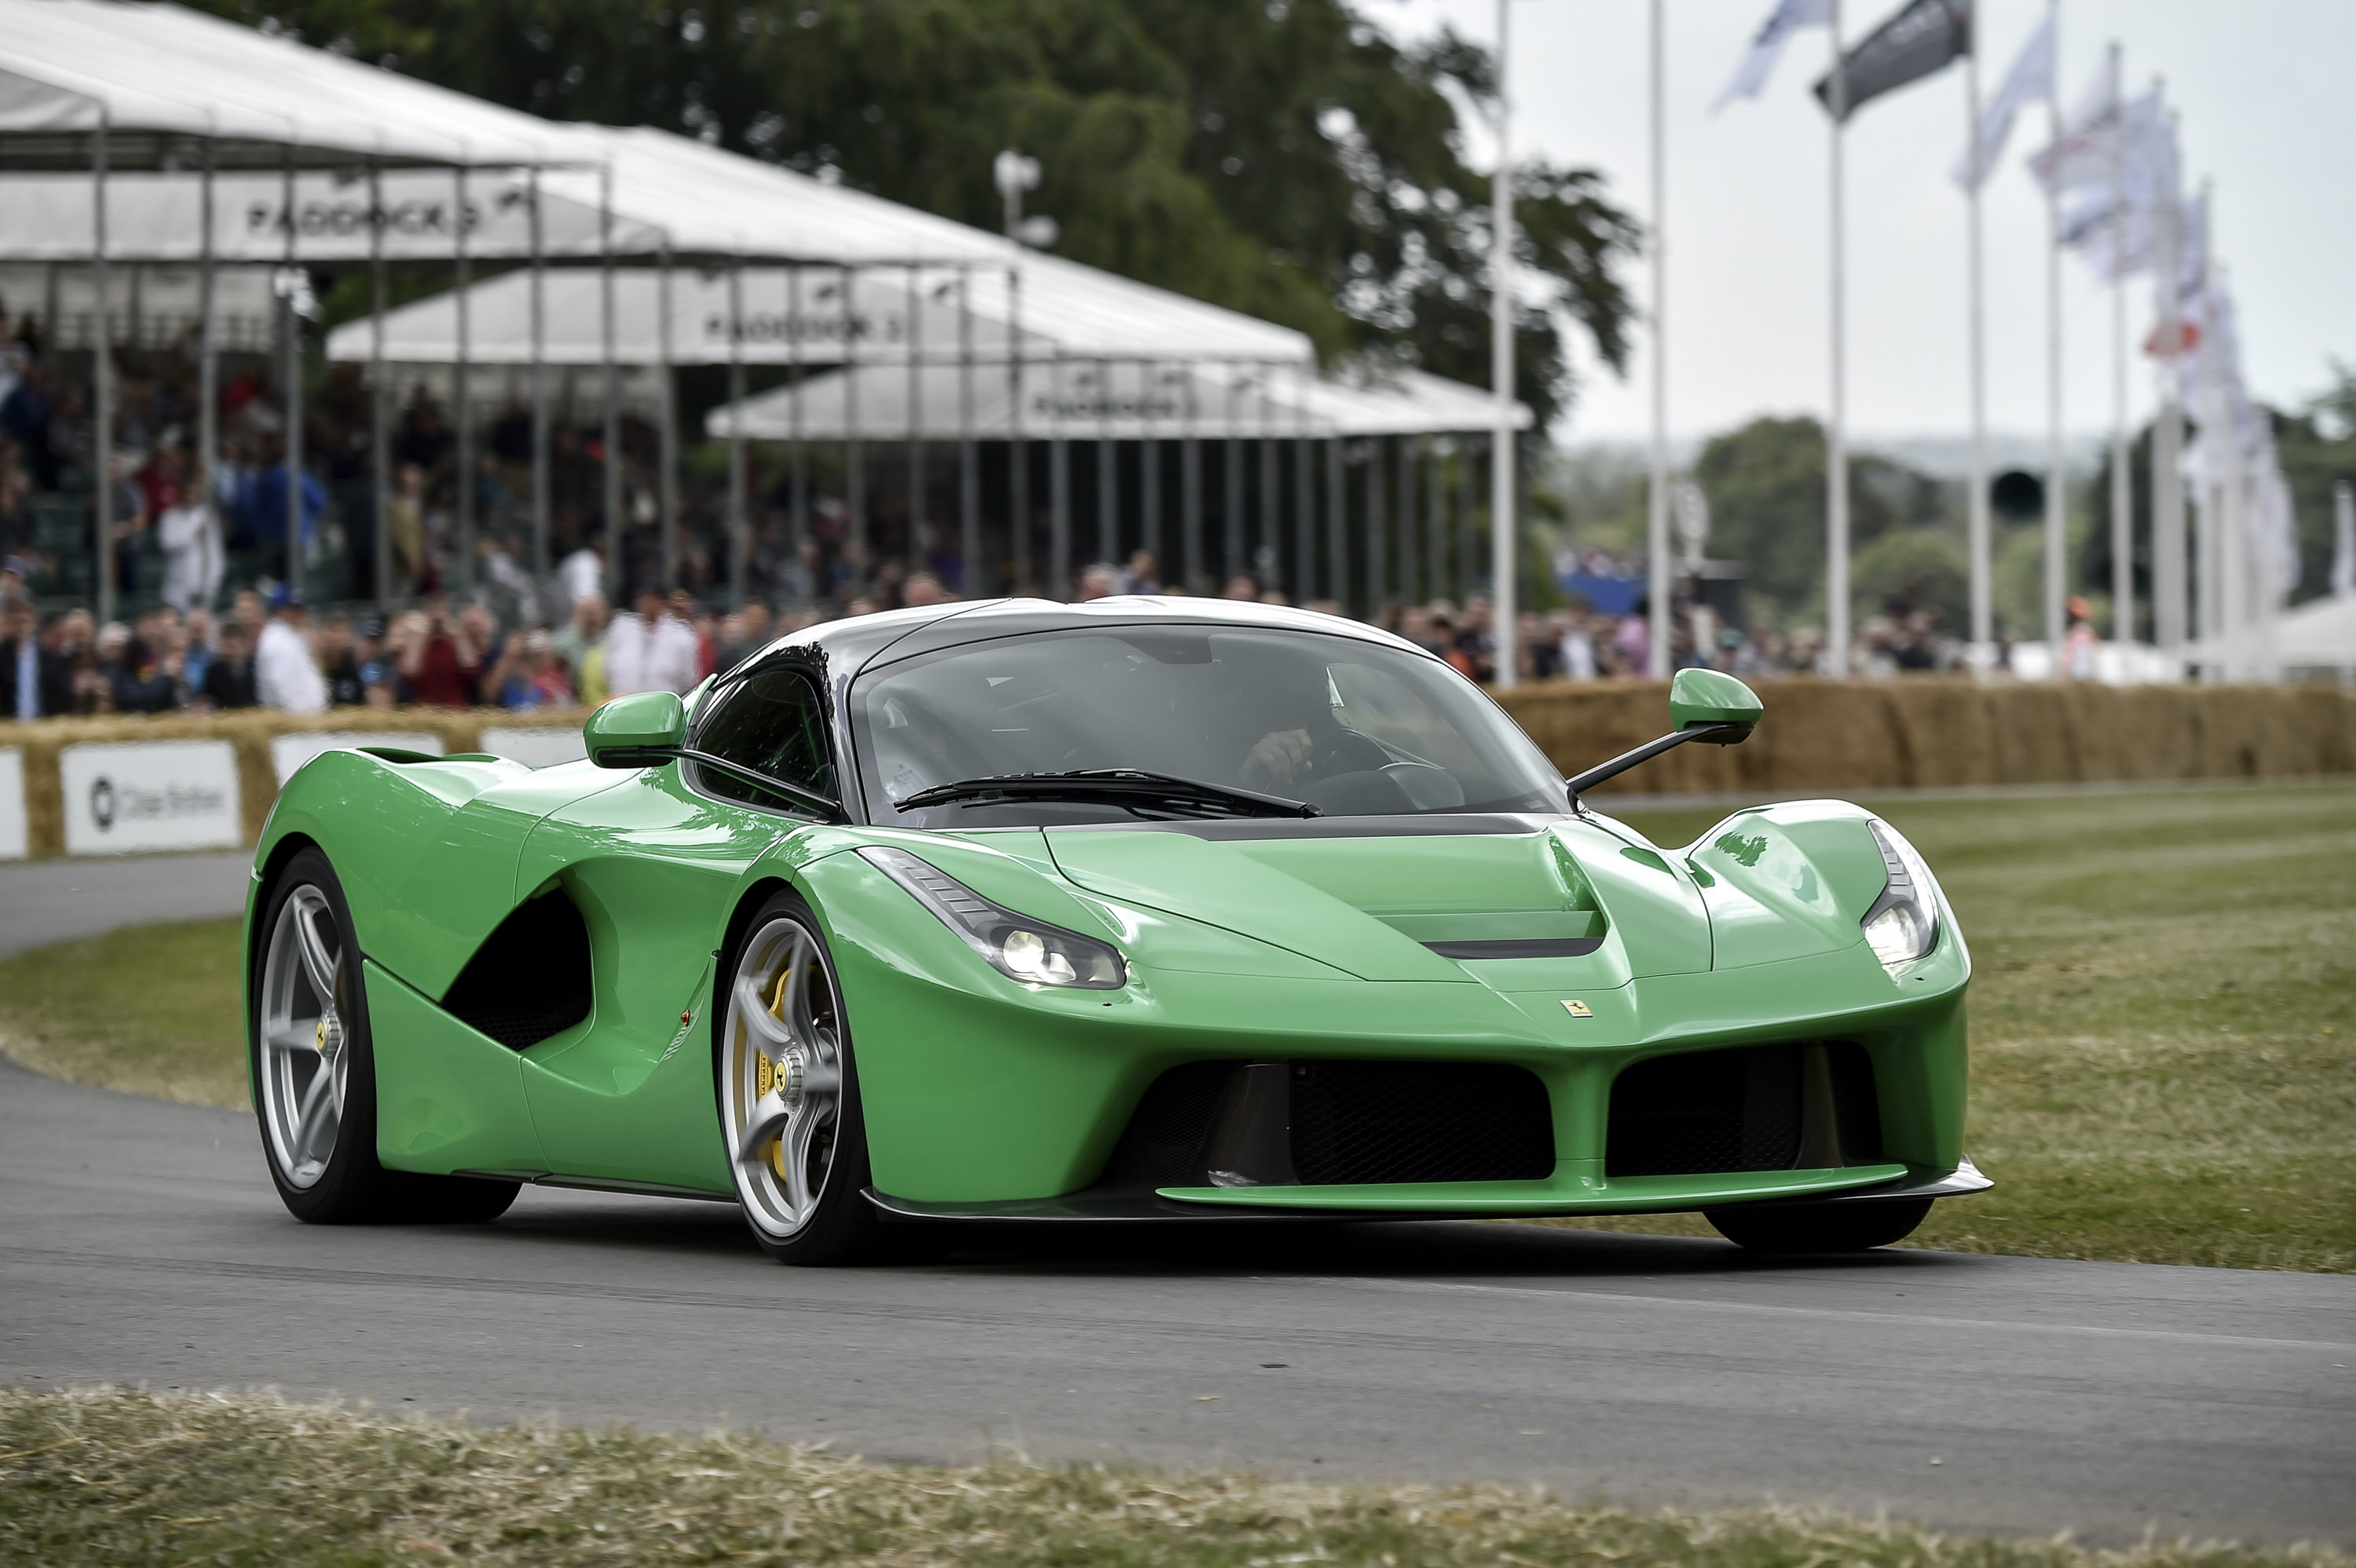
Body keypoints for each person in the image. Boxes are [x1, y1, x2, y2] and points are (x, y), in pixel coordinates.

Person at [155, 459, 223, 615]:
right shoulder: (169, 517)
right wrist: (192, 534)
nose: (190, 496)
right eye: (187, 492)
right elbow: (167, 544)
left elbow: (216, 555)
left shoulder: (206, 517)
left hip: (202, 591)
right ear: (180, 493)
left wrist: (212, 585)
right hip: (175, 592)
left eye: (193, 492)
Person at [255, 587, 328, 714]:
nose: (301, 614)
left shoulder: (288, 636)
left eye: (300, 610)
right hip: (295, 723)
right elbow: (281, 684)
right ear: (280, 610)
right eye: (294, 610)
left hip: (303, 721)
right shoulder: (278, 641)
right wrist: (300, 718)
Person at [199, 621, 258, 710]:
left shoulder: (254, 668)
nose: (232, 644)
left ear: (244, 643)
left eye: (236, 639)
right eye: (227, 639)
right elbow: (209, 699)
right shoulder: (214, 672)